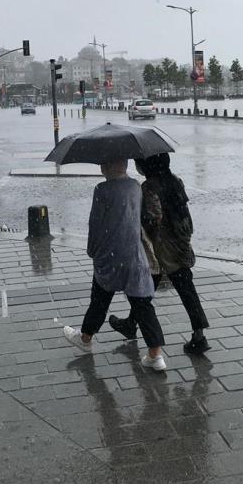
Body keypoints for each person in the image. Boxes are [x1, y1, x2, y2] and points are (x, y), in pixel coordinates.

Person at [63, 158, 167, 371]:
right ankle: (155, 355)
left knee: (100, 298)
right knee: (143, 304)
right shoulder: (135, 187)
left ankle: (85, 339)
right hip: (134, 255)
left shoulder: (102, 190)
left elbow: (96, 225)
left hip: (110, 255)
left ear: (107, 167)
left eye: (103, 164)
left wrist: (92, 250)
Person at [109, 153, 211, 354]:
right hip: (180, 242)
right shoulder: (175, 181)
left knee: (150, 288)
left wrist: (141, 221)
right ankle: (132, 323)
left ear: (148, 166)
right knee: (182, 289)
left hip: (162, 247)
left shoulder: (149, 187)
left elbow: (154, 219)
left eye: (140, 163)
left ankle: (197, 336)